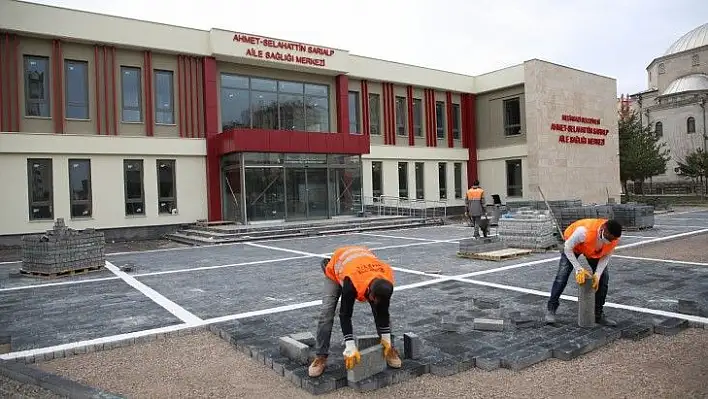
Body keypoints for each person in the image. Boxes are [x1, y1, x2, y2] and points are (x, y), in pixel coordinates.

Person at [308, 246, 402, 378]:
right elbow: (345, 315)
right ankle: (321, 356)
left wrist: (386, 338)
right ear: (371, 294)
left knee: (379, 309)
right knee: (327, 312)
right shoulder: (351, 283)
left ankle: (389, 348)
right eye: (374, 300)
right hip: (337, 269)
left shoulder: (386, 278)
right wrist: (350, 345)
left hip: (362, 263)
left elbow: (383, 311)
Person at [545, 218, 623, 326]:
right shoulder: (583, 232)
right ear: (604, 229)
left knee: (604, 278)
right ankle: (551, 309)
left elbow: (605, 257)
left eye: (612, 239)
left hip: (592, 250)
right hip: (573, 247)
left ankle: (598, 315)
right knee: (562, 276)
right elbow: (567, 247)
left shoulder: (614, 239)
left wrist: (597, 275)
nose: (610, 241)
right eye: (608, 238)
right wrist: (578, 269)